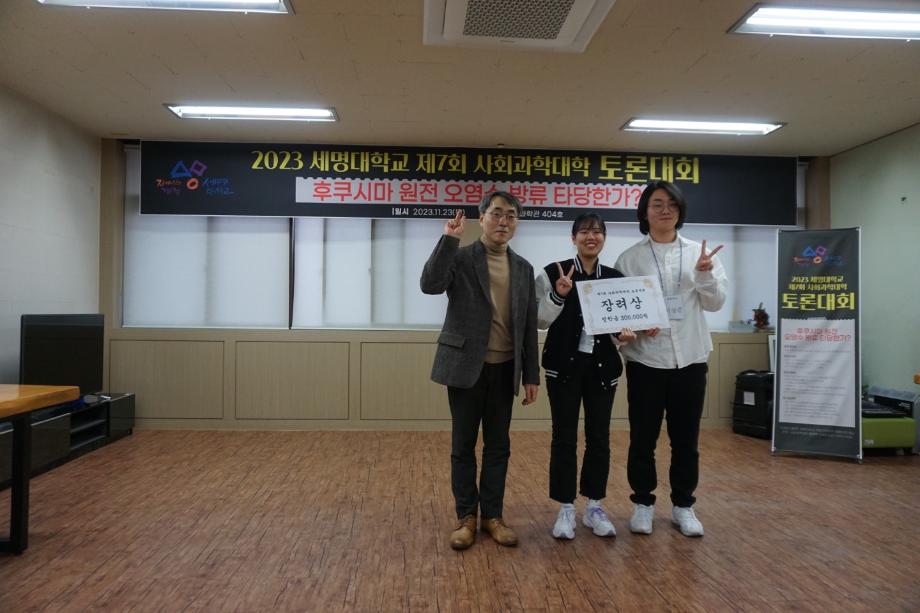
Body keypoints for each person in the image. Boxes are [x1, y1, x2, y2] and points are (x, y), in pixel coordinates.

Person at [420, 191, 540, 550]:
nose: (504, 221)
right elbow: (430, 285)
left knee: (498, 446)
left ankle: (493, 516)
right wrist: (448, 239)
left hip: (505, 370)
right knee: (463, 445)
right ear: (482, 217)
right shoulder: (460, 257)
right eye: (497, 213)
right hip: (465, 367)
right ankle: (466, 517)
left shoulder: (524, 268)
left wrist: (531, 374)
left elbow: (528, 325)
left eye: (511, 216)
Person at [614, 180, 726, 537]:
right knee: (642, 439)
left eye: (672, 204)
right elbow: (617, 312)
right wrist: (634, 325)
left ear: (680, 211)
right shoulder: (629, 258)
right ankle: (643, 504)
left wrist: (705, 274)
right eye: (657, 204)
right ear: (645, 212)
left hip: (690, 358)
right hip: (645, 360)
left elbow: (715, 303)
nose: (665, 210)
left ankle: (683, 506)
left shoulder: (700, 254)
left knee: (686, 440)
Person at [535, 213, 636, 540]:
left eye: (597, 232)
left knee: (599, 438)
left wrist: (623, 336)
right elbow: (539, 320)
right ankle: (566, 507)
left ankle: (594, 506)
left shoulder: (615, 278)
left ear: (604, 238)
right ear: (573, 237)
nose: (591, 237)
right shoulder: (554, 272)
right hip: (563, 368)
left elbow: (618, 330)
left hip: (602, 369)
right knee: (563, 437)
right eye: (584, 232)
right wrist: (559, 295)